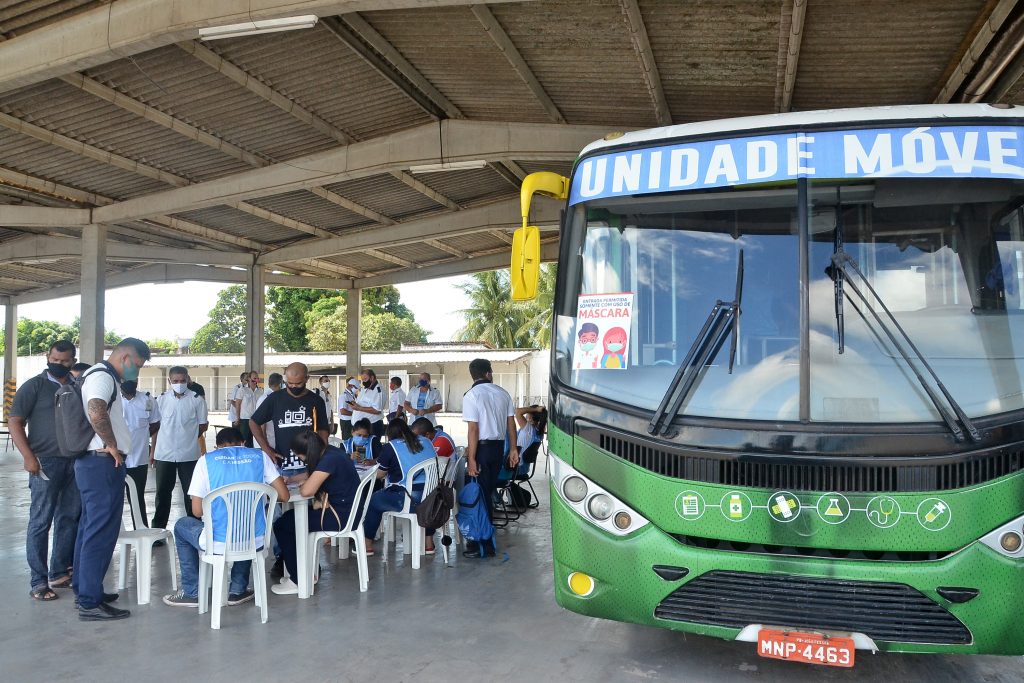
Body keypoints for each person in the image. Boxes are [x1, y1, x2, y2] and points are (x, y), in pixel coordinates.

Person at [162, 428, 289, 607]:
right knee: (245, 526)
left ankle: (192, 592)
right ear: (243, 443)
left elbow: (197, 511)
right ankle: (237, 590)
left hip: (219, 542)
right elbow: (284, 496)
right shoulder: (260, 457)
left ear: (216, 446)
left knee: (182, 525)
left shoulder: (206, 461)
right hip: (256, 540)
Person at [74, 337, 150, 621]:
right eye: (137, 366)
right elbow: (96, 409)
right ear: (126, 358)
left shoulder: (99, 376)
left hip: (95, 463)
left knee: (89, 528)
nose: (136, 372)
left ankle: (87, 589)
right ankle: (89, 601)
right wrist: (111, 445)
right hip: (101, 462)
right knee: (100, 531)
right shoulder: (102, 377)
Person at [10, 340, 80, 602]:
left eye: (65, 361)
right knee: (41, 521)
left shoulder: (76, 387)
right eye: (55, 359)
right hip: (44, 462)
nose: (59, 364)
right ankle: (38, 581)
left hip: (74, 462)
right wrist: (29, 457)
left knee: (69, 517)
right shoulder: (34, 386)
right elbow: (15, 421)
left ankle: (59, 572)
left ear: (73, 360)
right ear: (47, 357)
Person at [271, 430, 361, 595]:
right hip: (345, 511)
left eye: (299, 456)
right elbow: (312, 474)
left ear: (306, 453)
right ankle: (306, 572)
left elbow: (306, 491)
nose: (300, 460)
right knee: (289, 520)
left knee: (283, 525)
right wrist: (291, 479)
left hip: (339, 517)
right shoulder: (331, 452)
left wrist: (305, 483)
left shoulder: (329, 460)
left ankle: (299, 579)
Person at [461, 358, 518, 558]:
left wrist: (473, 458)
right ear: (488, 373)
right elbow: (511, 424)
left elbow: (473, 429)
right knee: (487, 492)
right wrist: (513, 449)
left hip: (482, 451)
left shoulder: (472, 395)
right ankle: (486, 539)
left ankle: (481, 543)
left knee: (479, 494)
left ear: (473, 375)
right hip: (497, 450)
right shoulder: (503, 393)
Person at [363, 419, 436, 556]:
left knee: (374, 500)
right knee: (425, 495)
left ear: (389, 435)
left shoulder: (391, 446)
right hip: (434, 499)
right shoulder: (426, 441)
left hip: (410, 501)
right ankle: (429, 544)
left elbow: (380, 474)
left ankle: (367, 545)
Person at [150, 366, 209, 530]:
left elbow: (203, 425)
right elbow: (156, 427)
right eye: (175, 381)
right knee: (162, 494)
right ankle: (158, 530)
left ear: (188, 379)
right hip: (164, 455)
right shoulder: (160, 400)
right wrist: (153, 451)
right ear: (169, 381)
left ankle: (195, 530)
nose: (179, 384)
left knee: (191, 494)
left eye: (182, 380)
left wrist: (188, 438)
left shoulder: (197, 400)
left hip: (189, 455)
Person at [250, 362, 329, 480]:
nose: (293, 387)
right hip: (282, 464)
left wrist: (322, 455)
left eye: (298, 383)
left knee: (308, 495)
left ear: (307, 379)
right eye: (290, 383)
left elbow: (323, 430)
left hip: (309, 464)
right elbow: (253, 422)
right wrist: (266, 449)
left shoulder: (316, 400)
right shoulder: (275, 399)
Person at [120, 379, 160, 528]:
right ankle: (112, 535)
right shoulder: (113, 400)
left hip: (139, 459)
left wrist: (144, 440)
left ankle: (142, 530)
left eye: (133, 378)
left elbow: (155, 423)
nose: (129, 381)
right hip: (115, 459)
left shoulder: (147, 400)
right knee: (112, 499)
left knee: (137, 498)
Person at [348, 368, 384, 437]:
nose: (364, 381)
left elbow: (377, 410)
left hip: (372, 425)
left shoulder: (378, 390)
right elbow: (362, 403)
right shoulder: (364, 389)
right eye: (362, 380)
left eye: (365, 379)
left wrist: (359, 408)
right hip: (361, 427)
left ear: (372, 377)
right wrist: (355, 404)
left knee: (372, 447)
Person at [236, 370, 263, 448]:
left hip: (257, 420)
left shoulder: (260, 391)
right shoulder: (242, 390)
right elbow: (238, 405)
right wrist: (238, 418)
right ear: (249, 379)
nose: (256, 380)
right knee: (245, 441)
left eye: (257, 378)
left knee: (256, 440)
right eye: (254, 378)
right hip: (245, 420)